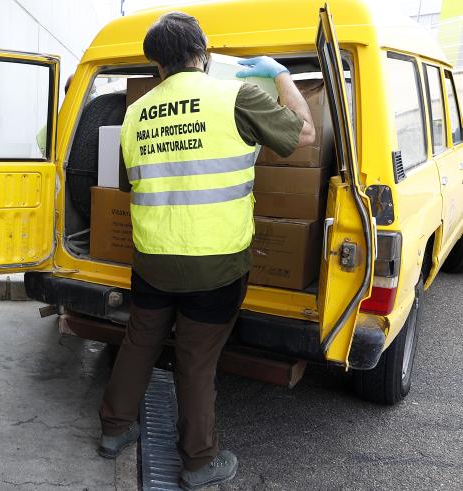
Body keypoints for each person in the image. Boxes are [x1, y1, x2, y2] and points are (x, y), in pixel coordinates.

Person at [96, 12, 316, 490]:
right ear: (205, 52)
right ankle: (198, 462)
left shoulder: (135, 113)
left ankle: (114, 430)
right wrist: (280, 73)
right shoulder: (235, 96)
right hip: (215, 264)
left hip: (152, 257)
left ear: (155, 64)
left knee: (139, 342)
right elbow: (304, 133)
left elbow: (132, 174)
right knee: (196, 361)